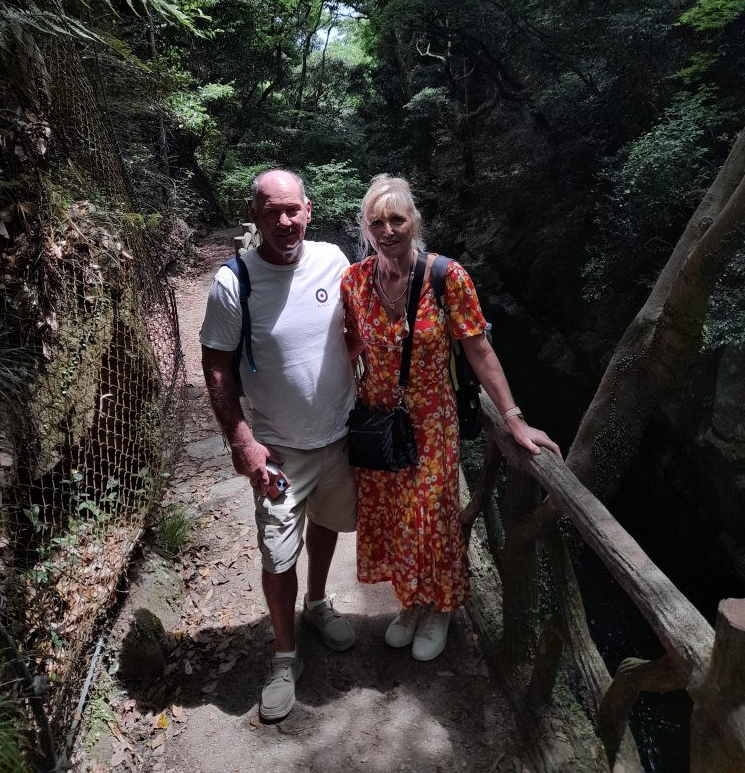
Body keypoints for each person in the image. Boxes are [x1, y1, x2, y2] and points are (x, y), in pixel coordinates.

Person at [341, 174, 560, 662]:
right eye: (377, 222)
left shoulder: (446, 277)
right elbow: (351, 343)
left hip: (432, 421)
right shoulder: (354, 281)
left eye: (396, 219)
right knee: (395, 517)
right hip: (379, 422)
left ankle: (441, 607)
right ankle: (411, 602)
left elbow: (479, 351)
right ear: (366, 227)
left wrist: (514, 418)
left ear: (414, 222)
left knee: (431, 517)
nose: (387, 230)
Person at [199, 169, 359, 721]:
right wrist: (240, 438)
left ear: (309, 210)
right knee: (277, 552)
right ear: (256, 217)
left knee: (328, 523)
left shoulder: (334, 260)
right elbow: (216, 365)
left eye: (293, 210)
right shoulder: (234, 282)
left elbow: (354, 332)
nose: (285, 221)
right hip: (278, 451)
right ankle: (284, 656)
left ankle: (317, 602)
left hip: (339, 435)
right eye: (272, 212)